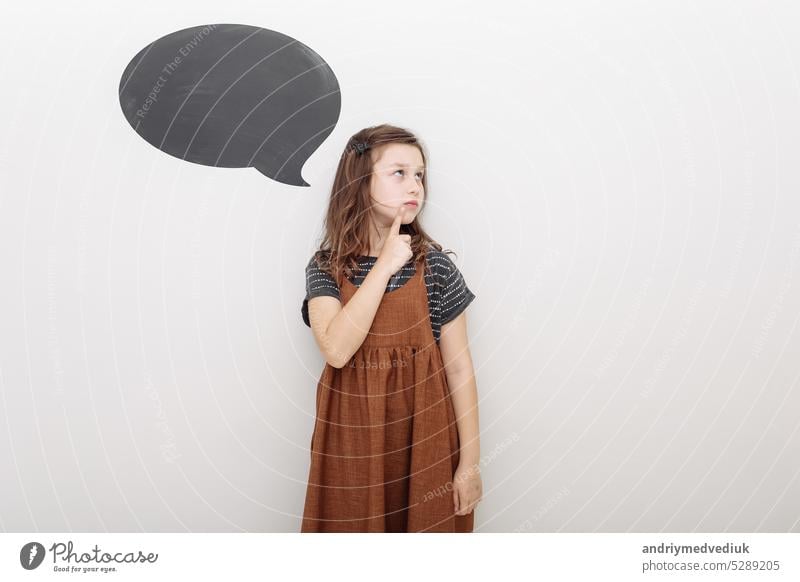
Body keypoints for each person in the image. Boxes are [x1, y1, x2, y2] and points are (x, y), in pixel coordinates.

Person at [300, 123, 482, 532]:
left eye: (419, 174)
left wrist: (469, 464)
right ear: (360, 180)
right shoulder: (325, 268)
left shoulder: (436, 268)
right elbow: (336, 348)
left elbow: (459, 369)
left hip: (425, 441)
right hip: (351, 442)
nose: (414, 185)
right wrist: (383, 265)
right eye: (398, 173)